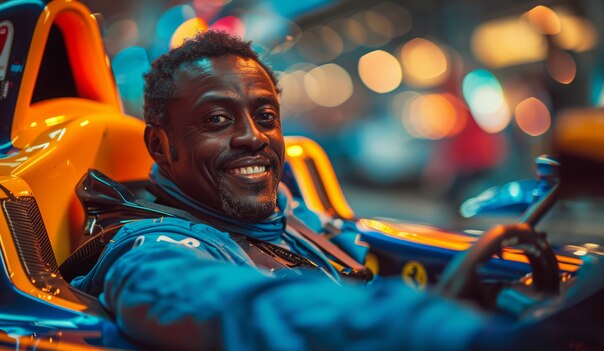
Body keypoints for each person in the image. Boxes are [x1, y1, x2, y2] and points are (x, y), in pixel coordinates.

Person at [70, 30, 503, 351]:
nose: (253, 137)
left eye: (265, 116)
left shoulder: (289, 216)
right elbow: (234, 307)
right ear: (161, 147)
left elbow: (361, 255)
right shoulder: (148, 256)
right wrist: (446, 331)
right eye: (218, 120)